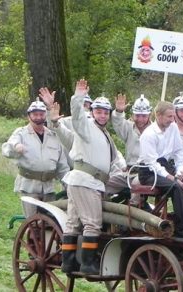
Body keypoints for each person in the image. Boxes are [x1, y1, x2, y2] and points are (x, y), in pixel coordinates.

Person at [60, 79, 124, 275]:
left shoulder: (104, 134)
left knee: (73, 222)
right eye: (99, 111)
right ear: (93, 112)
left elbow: (114, 159)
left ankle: (68, 262)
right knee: (92, 223)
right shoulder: (86, 126)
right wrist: (78, 96)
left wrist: (124, 169)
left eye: (106, 112)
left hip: (88, 181)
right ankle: (88, 264)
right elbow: (77, 116)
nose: (103, 115)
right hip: (85, 181)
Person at [138, 101, 183, 237]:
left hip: (166, 167)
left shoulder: (173, 127)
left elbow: (179, 152)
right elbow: (152, 163)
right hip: (148, 172)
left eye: (173, 116)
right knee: (175, 186)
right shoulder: (148, 135)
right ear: (158, 115)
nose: (172, 120)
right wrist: (172, 178)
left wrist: (180, 171)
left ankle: (180, 225)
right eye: (169, 116)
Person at [1, 100, 69, 216]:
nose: (38, 117)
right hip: (29, 187)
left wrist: (69, 185)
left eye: (41, 114)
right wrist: (16, 147)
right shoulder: (21, 133)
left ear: (45, 116)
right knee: (33, 221)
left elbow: (62, 166)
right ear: (29, 116)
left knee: (51, 219)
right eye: (35, 114)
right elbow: (6, 149)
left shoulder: (53, 136)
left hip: (48, 187)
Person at [38, 88, 92, 170]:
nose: (82, 108)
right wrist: (49, 108)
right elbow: (52, 128)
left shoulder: (96, 123)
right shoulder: (66, 121)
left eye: (85, 105)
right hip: (71, 170)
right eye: (80, 104)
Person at [112, 93, 152, 167]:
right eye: (137, 115)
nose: (140, 119)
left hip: (150, 170)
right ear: (133, 114)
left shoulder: (155, 130)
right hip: (130, 170)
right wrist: (119, 111)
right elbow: (117, 123)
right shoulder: (128, 127)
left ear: (149, 115)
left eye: (144, 116)